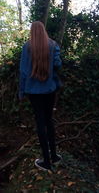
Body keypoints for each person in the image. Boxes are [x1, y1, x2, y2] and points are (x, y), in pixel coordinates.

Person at [19, 21, 62, 171]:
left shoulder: (27, 47)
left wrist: (21, 92)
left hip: (33, 91)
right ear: (43, 31)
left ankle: (46, 162)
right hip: (50, 89)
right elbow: (58, 65)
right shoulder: (53, 45)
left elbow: (23, 72)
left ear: (32, 32)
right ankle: (54, 156)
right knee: (49, 120)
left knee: (40, 123)